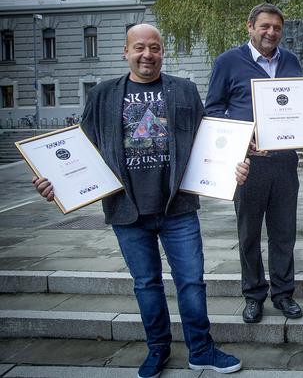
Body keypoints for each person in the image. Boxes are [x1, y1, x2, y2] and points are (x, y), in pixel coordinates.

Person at [32, 24, 248, 378]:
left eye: (155, 48)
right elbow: (79, 150)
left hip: (177, 207)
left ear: (163, 51)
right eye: (140, 48)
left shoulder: (184, 90)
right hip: (126, 209)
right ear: (126, 51)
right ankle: (157, 349)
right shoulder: (102, 95)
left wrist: (232, 168)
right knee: (146, 284)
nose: (148, 54)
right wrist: (51, 180)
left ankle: (201, 349)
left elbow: (208, 141)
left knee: (191, 281)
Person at [205, 3, 303, 324]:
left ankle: (284, 293)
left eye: (276, 28)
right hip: (247, 165)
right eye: (264, 26)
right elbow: (213, 109)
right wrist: (239, 138)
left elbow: (296, 106)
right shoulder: (228, 62)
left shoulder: (291, 60)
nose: (271, 33)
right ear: (250, 27)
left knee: (284, 232)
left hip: (285, 163)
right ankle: (253, 295)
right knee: (249, 233)